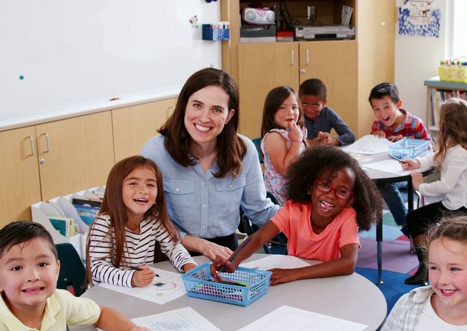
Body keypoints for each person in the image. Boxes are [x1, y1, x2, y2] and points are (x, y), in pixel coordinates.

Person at [142, 68, 279, 260]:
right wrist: (199, 244)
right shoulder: (155, 152)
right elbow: (147, 219)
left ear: (229, 116)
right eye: (197, 105)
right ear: (184, 106)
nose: (205, 118)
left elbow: (259, 211)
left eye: (216, 109)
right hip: (170, 251)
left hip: (224, 252)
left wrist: (306, 218)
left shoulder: (245, 150)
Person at [0, 221, 155, 331]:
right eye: (16, 268)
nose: (33, 276)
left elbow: (100, 314)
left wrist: (130, 329)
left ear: (57, 269)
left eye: (42, 264)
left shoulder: (59, 300)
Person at [211, 145, 383, 285]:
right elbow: (258, 237)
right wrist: (232, 262)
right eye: (324, 185)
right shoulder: (294, 209)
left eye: (342, 191)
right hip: (294, 281)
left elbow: (347, 263)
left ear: (350, 201)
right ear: (309, 187)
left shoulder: (347, 217)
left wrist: (294, 274)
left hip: (328, 281)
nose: (331, 195)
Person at [400, 97, 467, 285]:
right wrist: (418, 163)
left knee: (415, 218)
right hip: (464, 205)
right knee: (419, 218)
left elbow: (445, 186)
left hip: (463, 209)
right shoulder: (462, 146)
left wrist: (420, 187)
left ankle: (426, 268)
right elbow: (437, 157)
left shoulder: (459, 153)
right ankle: (428, 264)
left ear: (448, 125)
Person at [86, 156, 197, 288]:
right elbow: (97, 268)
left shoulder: (153, 221)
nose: (143, 191)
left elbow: (172, 247)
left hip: (138, 294)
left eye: (150, 185)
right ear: (116, 190)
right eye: (133, 183)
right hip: (106, 297)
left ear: (157, 196)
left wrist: (188, 264)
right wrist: (132, 278)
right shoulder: (104, 223)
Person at [369, 82, 432, 237]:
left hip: (409, 172)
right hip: (386, 170)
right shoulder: (377, 125)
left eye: (386, 107)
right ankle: (407, 224)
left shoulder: (415, 124)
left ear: (398, 104)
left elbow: (429, 151)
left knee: (386, 184)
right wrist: (375, 139)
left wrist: (405, 143)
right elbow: (374, 151)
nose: (382, 113)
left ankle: (407, 225)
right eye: (376, 109)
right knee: (382, 184)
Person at [260, 85, 307, 205]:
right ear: (271, 113)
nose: (290, 112)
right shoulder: (274, 137)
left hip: (298, 193)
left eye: (294, 107)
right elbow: (286, 171)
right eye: (282, 107)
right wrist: (296, 141)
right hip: (281, 202)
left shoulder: (293, 132)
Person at [299, 78, 355, 147]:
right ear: (299, 101)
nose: (309, 109)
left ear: (324, 102)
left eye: (315, 105)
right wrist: (313, 142)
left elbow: (350, 135)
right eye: (304, 104)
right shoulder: (296, 115)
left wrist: (332, 141)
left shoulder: (328, 113)